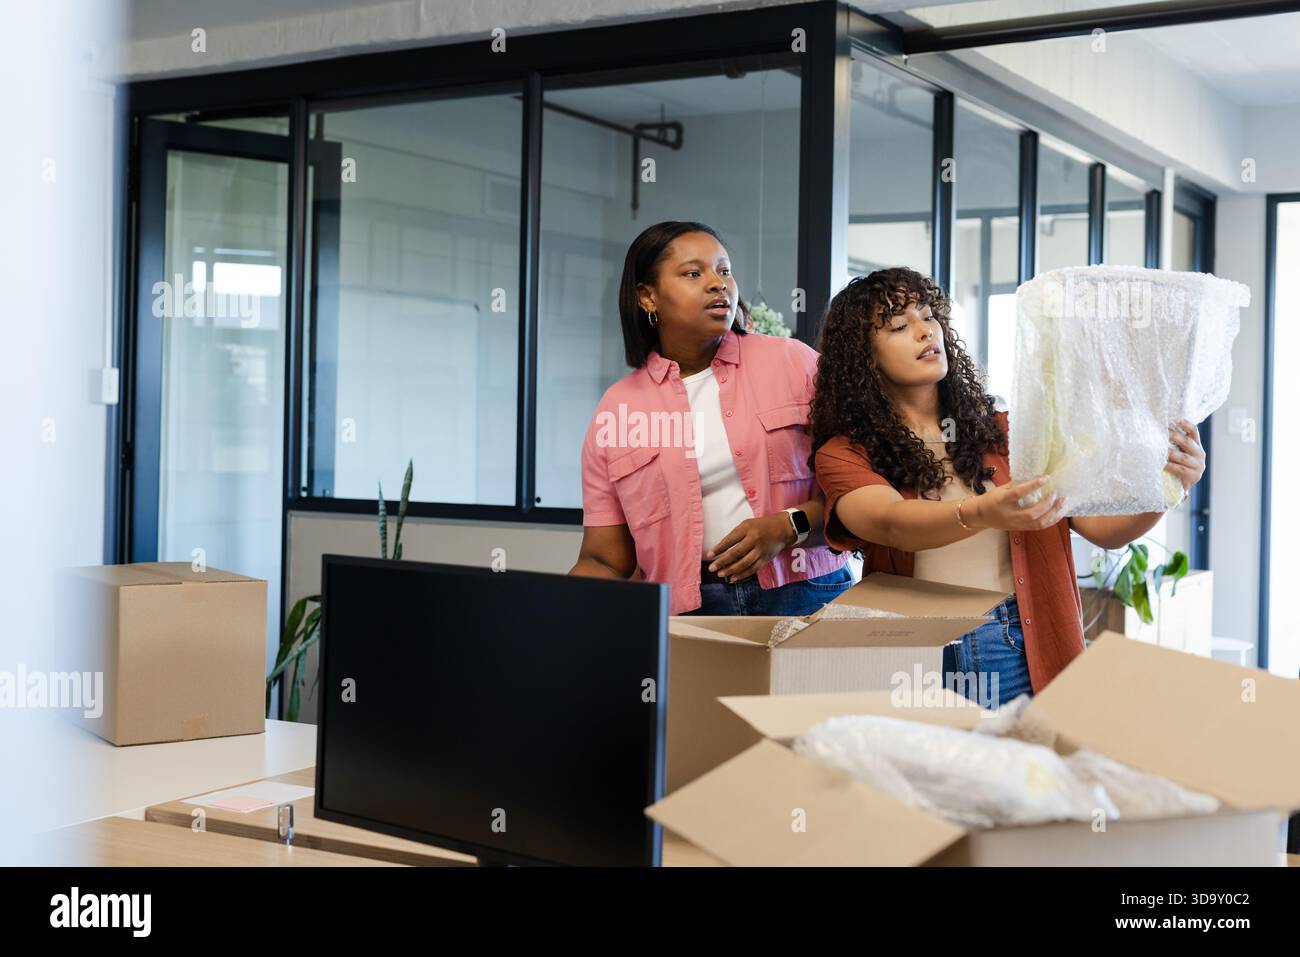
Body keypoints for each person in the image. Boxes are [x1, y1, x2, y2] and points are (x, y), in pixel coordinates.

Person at [810, 267, 1205, 705]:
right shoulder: (846, 453)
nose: (925, 331)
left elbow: (1100, 528)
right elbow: (890, 522)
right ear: (863, 358)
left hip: (1020, 640)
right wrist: (983, 512)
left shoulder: (1011, 434)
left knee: (1027, 769)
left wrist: (1168, 490)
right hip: (917, 652)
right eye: (900, 325)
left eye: (929, 316)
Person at [569, 221, 852, 615]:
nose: (718, 284)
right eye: (693, 273)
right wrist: (558, 612)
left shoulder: (794, 362)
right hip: (688, 612)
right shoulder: (617, 409)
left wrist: (787, 527)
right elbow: (604, 560)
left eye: (724, 270)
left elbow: (859, 495)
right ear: (647, 297)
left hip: (806, 591)